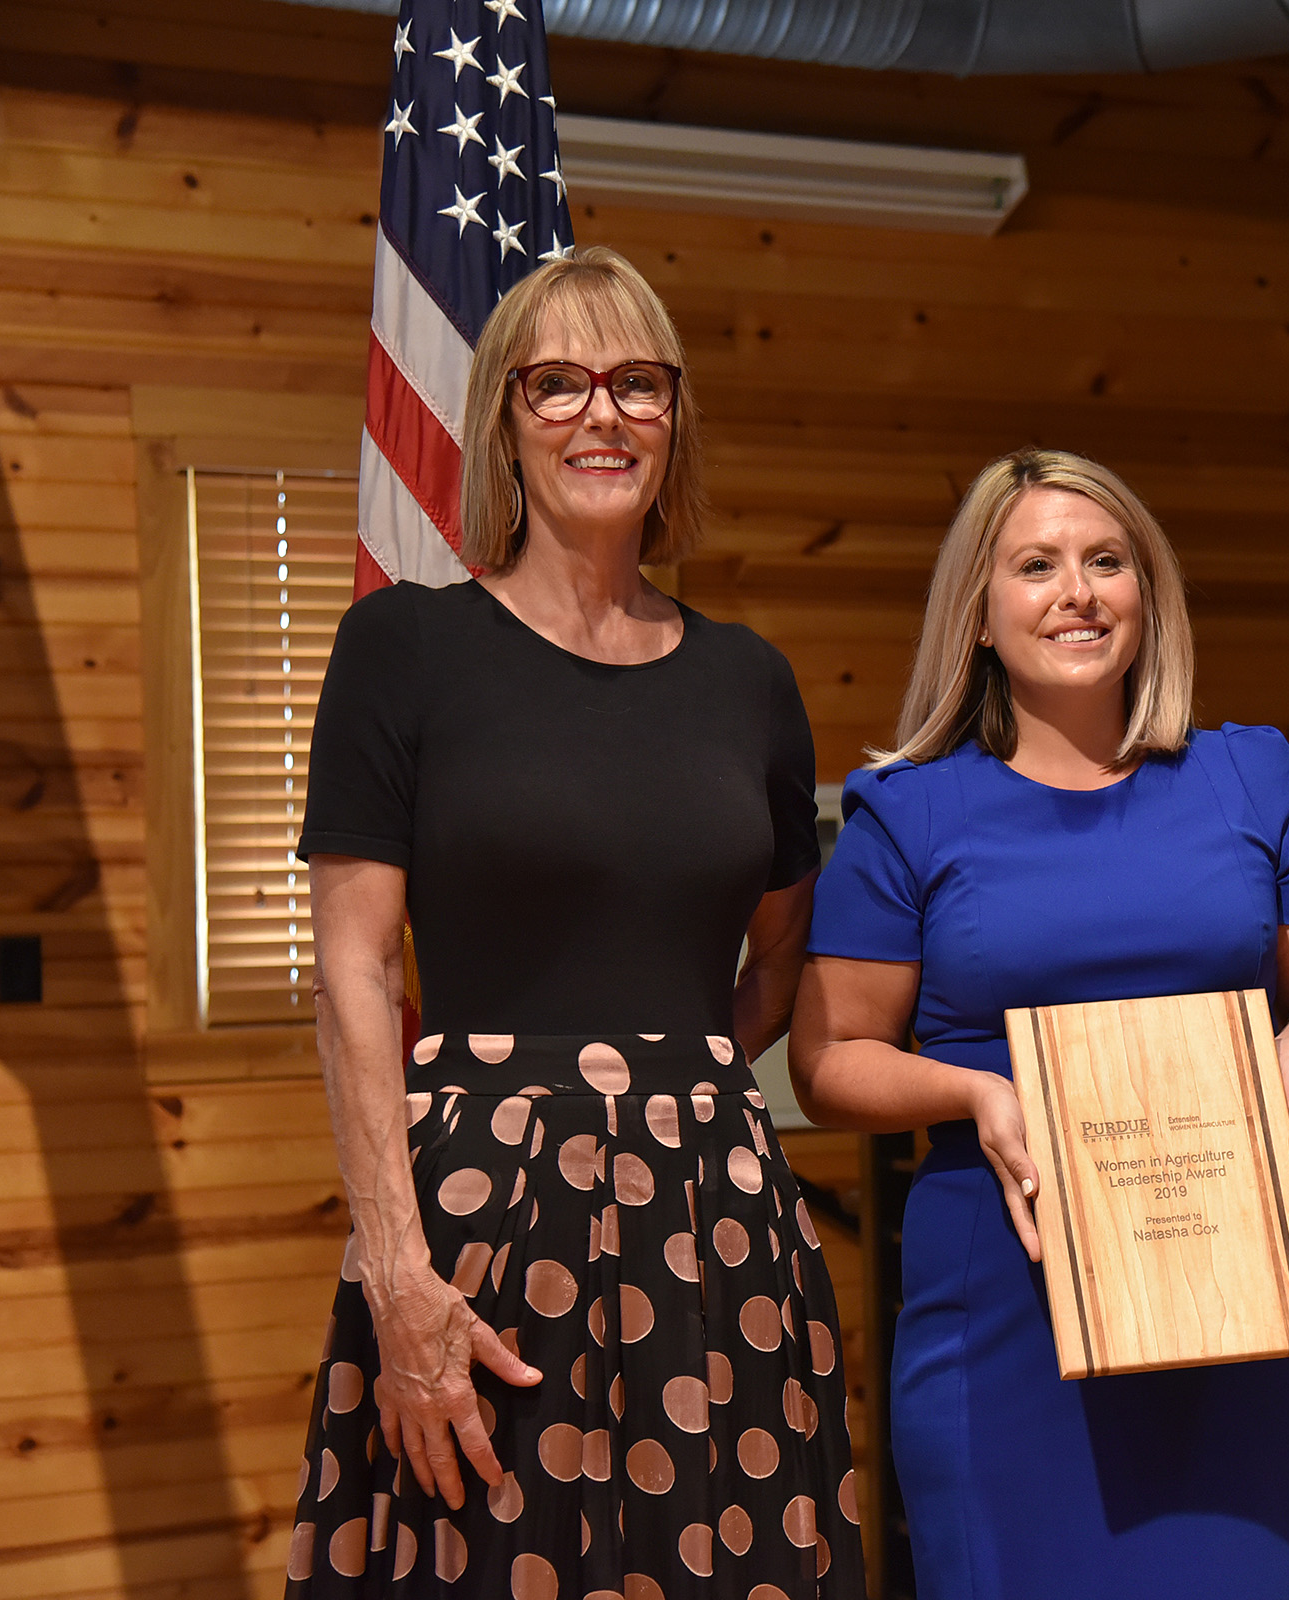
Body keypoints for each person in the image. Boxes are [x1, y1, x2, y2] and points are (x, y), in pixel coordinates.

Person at [284, 246, 862, 1599]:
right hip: (476, 1231)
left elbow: (779, 952)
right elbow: (356, 969)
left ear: (675, 417)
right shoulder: (406, 650)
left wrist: (665, 1091)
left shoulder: (751, 682)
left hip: (719, 1230)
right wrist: (401, 1278)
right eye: (558, 384)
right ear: (503, 420)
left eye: (637, 383)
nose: (602, 415)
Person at [788, 448, 1289, 1599]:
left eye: (1107, 561)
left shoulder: (1252, 776)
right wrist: (978, 1092)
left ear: (1146, 594)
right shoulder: (909, 809)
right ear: (977, 614)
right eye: (1037, 566)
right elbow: (829, 1059)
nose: (1078, 591)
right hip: (1011, 1298)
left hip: (1234, 1299)